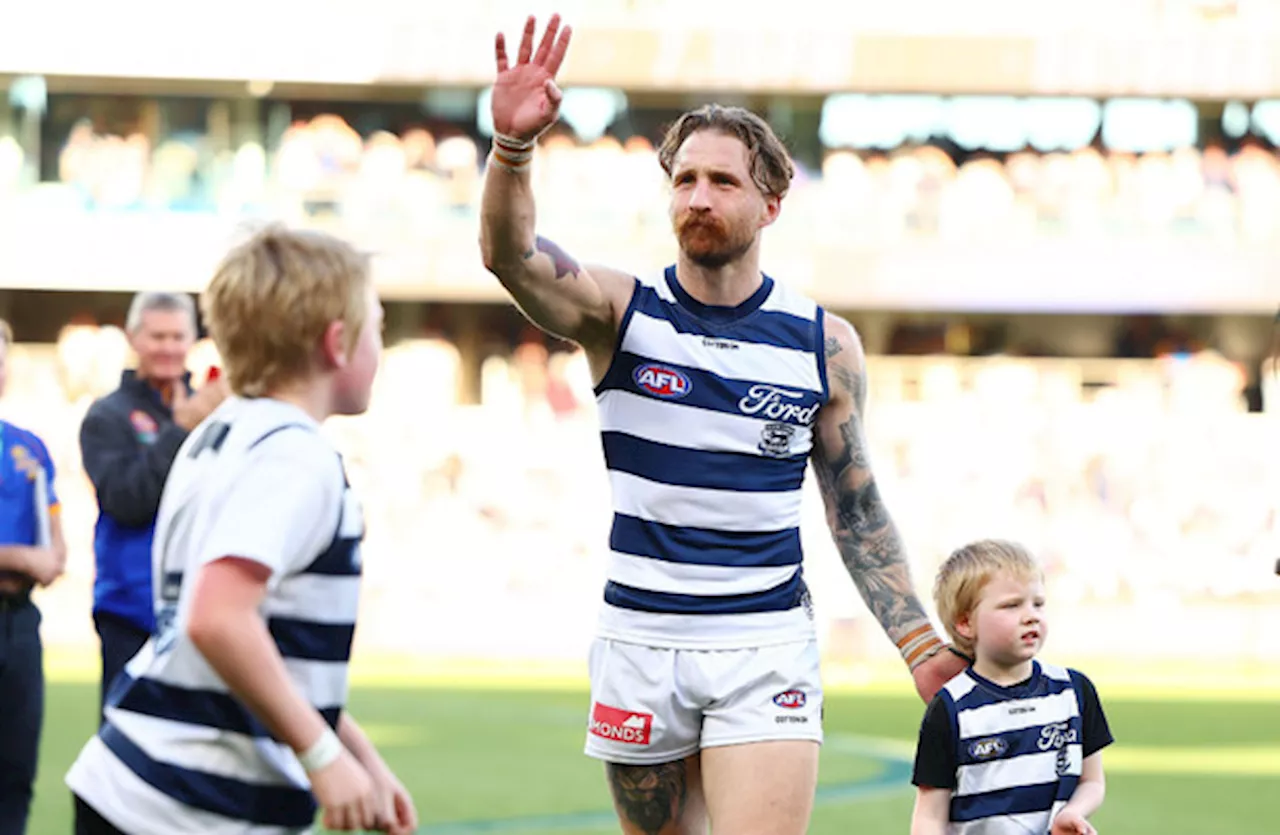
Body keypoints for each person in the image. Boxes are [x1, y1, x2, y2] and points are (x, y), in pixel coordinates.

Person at [480, 15, 968, 834]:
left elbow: (855, 505)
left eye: (723, 182)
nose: (698, 197)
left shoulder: (824, 344)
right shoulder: (618, 313)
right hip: (640, 640)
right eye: (685, 180)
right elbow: (509, 255)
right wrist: (511, 149)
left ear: (772, 204)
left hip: (763, 642)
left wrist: (916, 639)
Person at [65, 226, 418, 835]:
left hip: (134, 781)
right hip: (185, 805)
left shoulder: (222, 433)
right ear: (337, 342)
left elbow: (268, 644)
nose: (383, 345)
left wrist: (359, 755)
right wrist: (323, 758)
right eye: (379, 326)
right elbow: (217, 618)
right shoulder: (294, 454)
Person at [79, 291, 228, 720]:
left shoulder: (213, 411)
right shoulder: (107, 416)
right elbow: (128, 500)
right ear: (133, 338)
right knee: (123, 748)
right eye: (157, 336)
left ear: (193, 340)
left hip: (198, 609)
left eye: (177, 336)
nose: (168, 347)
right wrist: (180, 428)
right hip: (132, 609)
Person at [910, 539, 1112, 835]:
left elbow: (1092, 781)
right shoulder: (951, 708)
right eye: (1012, 605)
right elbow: (930, 815)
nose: (1031, 615)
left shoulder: (1074, 691)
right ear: (966, 623)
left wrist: (1072, 813)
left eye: (1038, 603)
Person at [0, 317, 67, 835]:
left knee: (16, 770)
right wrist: (22, 559)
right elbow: (34, 557)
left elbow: (55, 546)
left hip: (20, 623)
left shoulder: (31, 448)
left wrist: (38, 560)